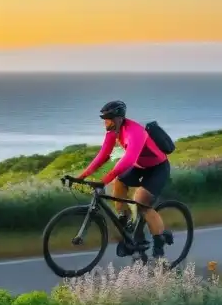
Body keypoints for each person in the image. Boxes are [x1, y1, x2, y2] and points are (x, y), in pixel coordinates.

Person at [64, 100, 171, 258]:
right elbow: (103, 155)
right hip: (140, 166)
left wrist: (104, 180)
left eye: (108, 119)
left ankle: (159, 244)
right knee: (119, 182)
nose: (105, 123)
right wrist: (82, 176)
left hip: (157, 168)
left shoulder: (135, 131)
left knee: (141, 203)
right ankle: (126, 223)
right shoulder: (112, 131)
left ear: (119, 119)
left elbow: (128, 159)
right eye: (104, 120)